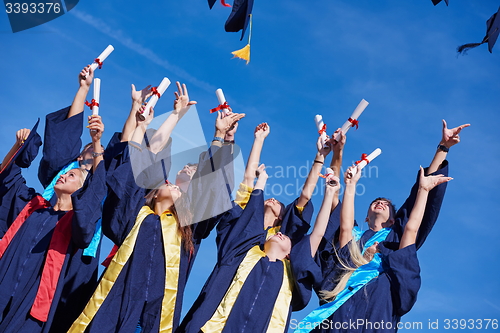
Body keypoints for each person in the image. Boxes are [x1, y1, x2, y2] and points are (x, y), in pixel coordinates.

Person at [68, 82, 243, 333]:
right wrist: (147, 125)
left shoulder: (187, 224)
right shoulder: (134, 214)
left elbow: (210, 188)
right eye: (168, 182)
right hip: (114, 310)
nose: (173, 184)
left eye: (180, 187)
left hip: (152, 320)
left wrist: (221, 137)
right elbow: (135, 166)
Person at [292, 119, 468, 333]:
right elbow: (340, 208)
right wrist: (342, 161)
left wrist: (443, 148)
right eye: (377, 202)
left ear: (394, 220)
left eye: (387, 205)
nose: (381, 203)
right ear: (365, 217)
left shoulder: (394, 239)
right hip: (338, 311)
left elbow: (418, 205)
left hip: (376, 306)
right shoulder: (354, 236)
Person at [0, 116, 106, 333]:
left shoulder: (76, 225)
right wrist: (19, 145)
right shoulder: (32, 207)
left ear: (82, 190)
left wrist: (96, 143)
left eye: (72, 175)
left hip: (31, 306)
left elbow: (97, 192)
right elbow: (7, 176)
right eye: (65, 173)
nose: (64, 176)